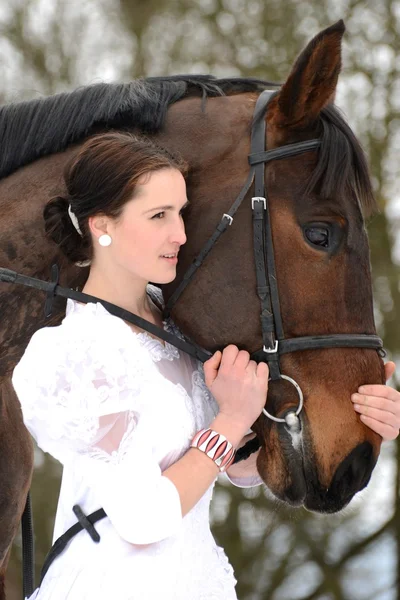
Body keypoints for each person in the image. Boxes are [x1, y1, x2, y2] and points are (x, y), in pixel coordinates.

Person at [11, 131, 400, 600]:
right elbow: (143, 517)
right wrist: (232, 420)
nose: (180, 233)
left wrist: (351, 416)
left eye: (180, 213)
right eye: (158, 216)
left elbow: (232, 466)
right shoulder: (74, 352)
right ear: (101, 225)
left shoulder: (176, 328)